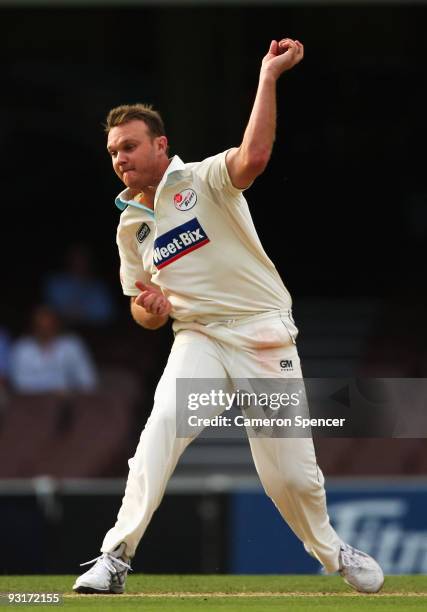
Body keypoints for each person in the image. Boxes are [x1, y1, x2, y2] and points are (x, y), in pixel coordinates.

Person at [73, 38, 384, 595]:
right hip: (200, 339)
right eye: (113, 152)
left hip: (262, 334)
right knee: (160, 430)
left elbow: (255, 158)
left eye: (129, 147)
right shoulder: (130, 228)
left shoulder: (204, 179)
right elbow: (140, 311)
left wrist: (268, 76)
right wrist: (151, 309)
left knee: (287, 475)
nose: (119, 159)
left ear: (160, 145)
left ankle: (333, 551)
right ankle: (114, 557)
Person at [9, 305, 97, 393]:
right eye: (40, 327)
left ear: (57, 324)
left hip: (67, 400)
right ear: (33, 327)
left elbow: (87, 379)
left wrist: (70, 391)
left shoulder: (72, 345)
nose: (45, 330)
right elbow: (19, 383)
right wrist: (51, 390)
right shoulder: (22, 348)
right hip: (30, 401)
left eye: (49, 326)